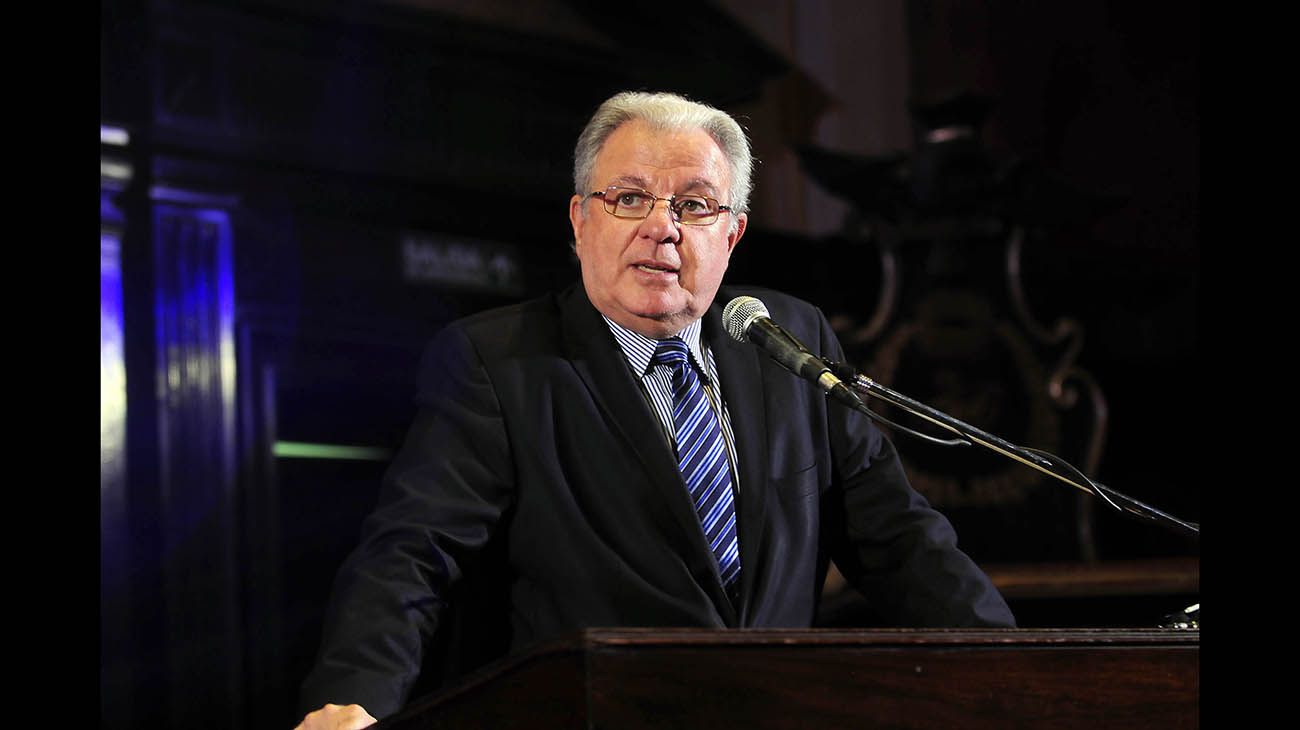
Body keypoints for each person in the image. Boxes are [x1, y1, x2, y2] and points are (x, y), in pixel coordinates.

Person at [295, 90, 1015, 729]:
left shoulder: (788, 341)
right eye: (630, 198)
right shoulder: (497, 362)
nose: (662, 227)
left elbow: (899, 538)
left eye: (694, 205)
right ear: (580, 221)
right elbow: (413, 553)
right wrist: (356, 697)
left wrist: (1012, 672)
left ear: (731, 235)